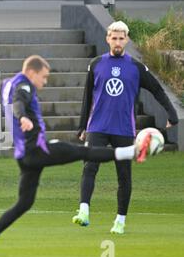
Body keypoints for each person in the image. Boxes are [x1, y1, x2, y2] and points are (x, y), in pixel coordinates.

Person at [0, 55, 151, 257]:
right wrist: (23, 117)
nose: (44, 82)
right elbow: (19, 102)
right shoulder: (24, 86)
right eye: (43, 77)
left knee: (24, 203)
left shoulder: (8, 83)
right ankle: (132, 151)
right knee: (84, 151)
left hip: (23, 157)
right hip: (38, 150)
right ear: (32, 73)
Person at [73, 21, 178, 234]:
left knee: (124, 175)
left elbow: (157, 90)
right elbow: (87, 97)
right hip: (98, 126)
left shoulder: (137, 68)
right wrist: (82, 126)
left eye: (122, 38)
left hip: (123, 129)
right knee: (89, 167)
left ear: (127, 40)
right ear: (107, 38)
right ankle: (83, 211)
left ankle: (120, 221)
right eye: (114, 37)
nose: (118, 42)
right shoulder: (96, 64)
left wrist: (172, 113)